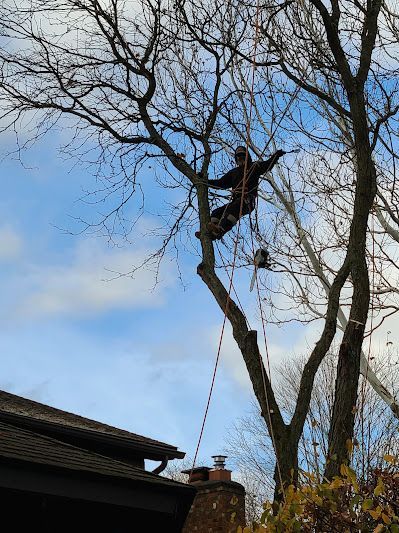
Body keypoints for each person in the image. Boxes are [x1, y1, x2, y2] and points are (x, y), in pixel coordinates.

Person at [198, 145, 286, 240]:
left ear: (247, 155)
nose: (239, 157)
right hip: (236, 200)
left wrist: (276, 155)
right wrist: (205, 181)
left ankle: (220, 229)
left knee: (232, 209)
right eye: (238, 156)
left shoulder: (254, 166)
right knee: (217, 212)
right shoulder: (233, 172)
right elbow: (220, 183)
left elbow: (267, 165)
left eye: (242, 154)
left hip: (247, 200)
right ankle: (211, 232)